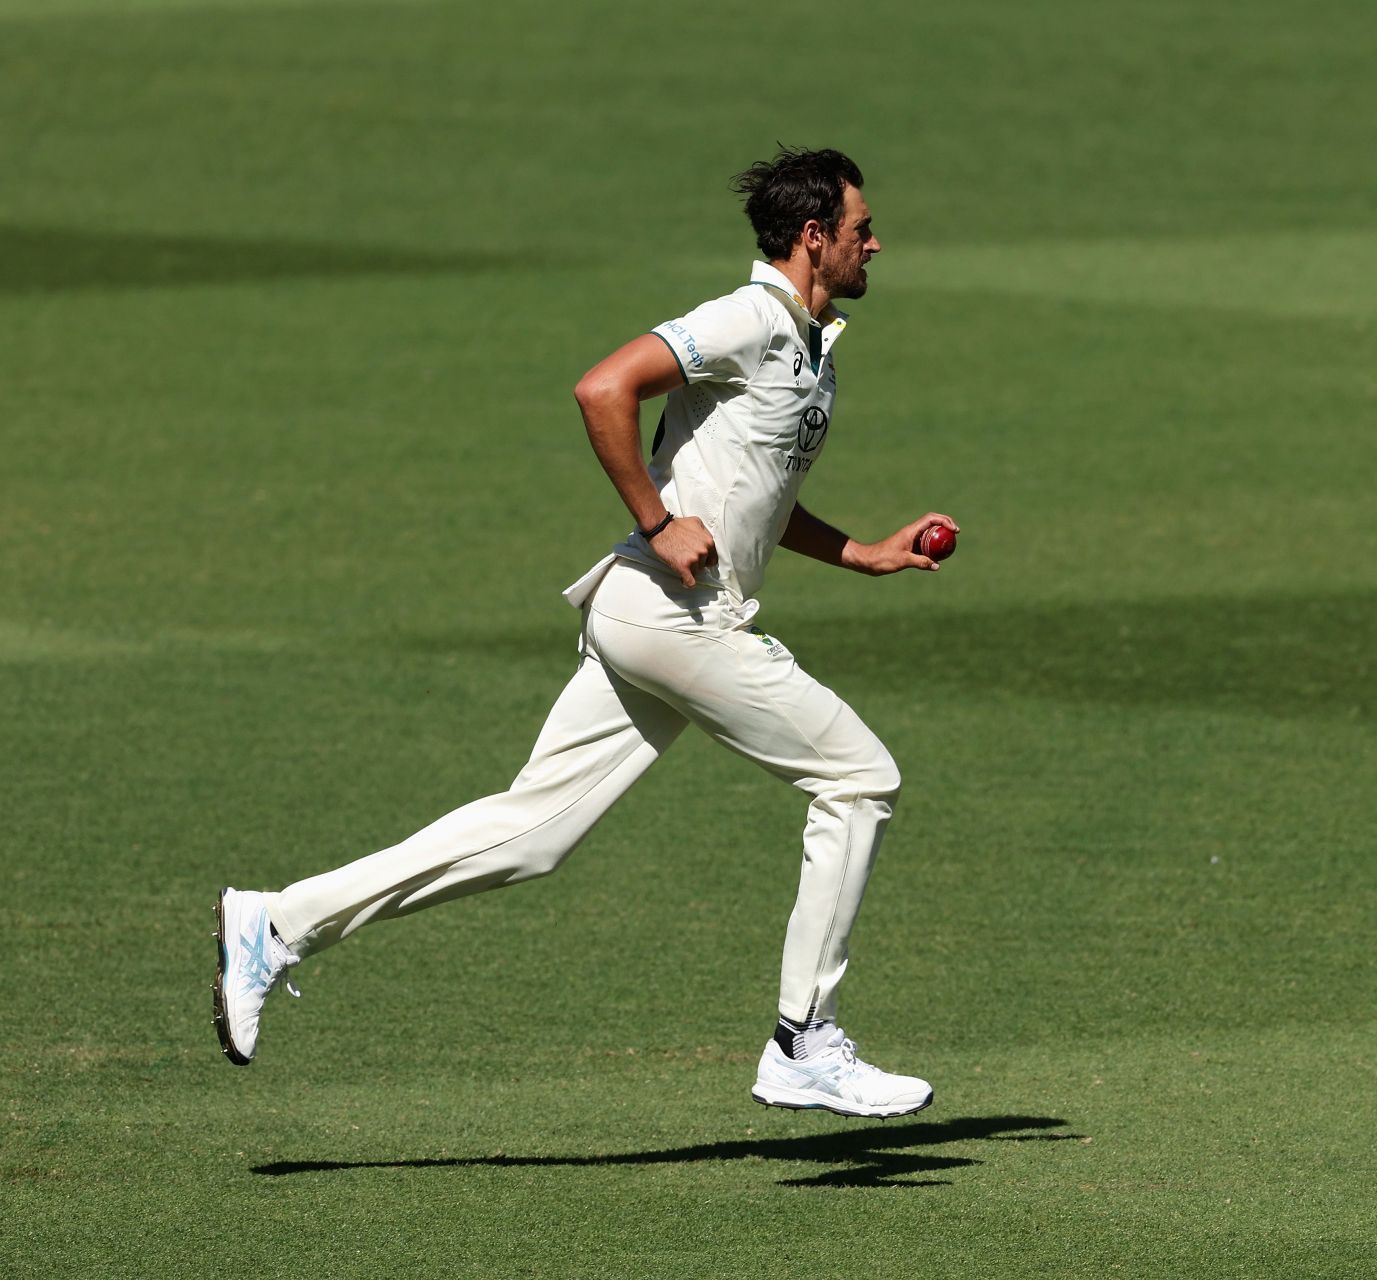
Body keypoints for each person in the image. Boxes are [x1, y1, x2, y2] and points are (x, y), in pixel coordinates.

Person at [211, 147, 954, 1119]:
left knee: (531, 835)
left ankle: (275, 922)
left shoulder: (806, 342)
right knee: (859, 777)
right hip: (681, 614)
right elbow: (603, 387)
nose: (875, 243)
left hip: (660, 618)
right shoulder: (750, 320)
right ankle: (801, 1037)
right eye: (862, 229)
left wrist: (861, 551)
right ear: (814, 238)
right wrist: (655, 518)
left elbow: (753, 492)